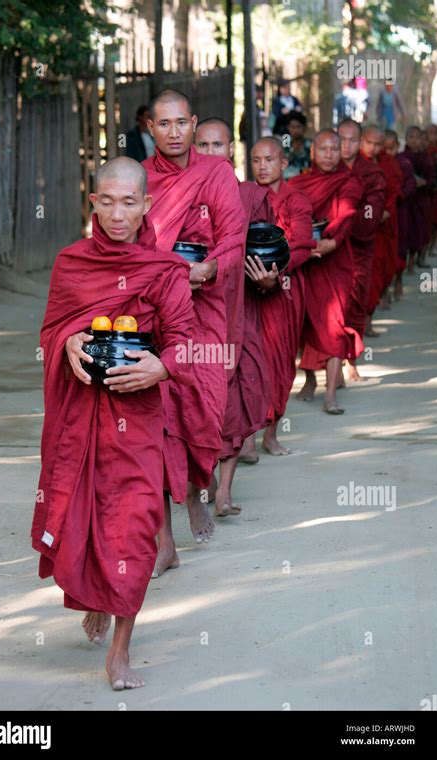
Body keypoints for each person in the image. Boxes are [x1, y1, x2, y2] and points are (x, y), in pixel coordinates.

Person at [32, 157, 194, 690]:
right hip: (82, 417)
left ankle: (120, 647)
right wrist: (69, 342)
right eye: (109, 202)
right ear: (93, 204)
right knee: (85, 515)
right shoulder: (71, 263)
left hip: (138, 418)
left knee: (134, 523)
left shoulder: (164, 269)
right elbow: (53, 330)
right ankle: (98, 598)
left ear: (146, 205)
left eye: (130, 202)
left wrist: (162, 365)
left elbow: (188, 342)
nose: (119, 213)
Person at [142, 90, 245, 576]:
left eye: (182, 122)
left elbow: (234, 238)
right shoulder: (137, 177)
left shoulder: (216, 174)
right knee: (156, 420)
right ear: (150, 127)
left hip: (202, 313)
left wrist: (204, 271)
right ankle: (164, 542)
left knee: (201, 412)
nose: (175, 132)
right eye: (164, 124)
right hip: (153, 313)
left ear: (193, 123)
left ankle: (195, 492)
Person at [194, 117, 271, 512]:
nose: (210, 154)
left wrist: (269, 279)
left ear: (231, 150)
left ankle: (224, 490)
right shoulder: (181, 193)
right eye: (202, 146)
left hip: (240, 311)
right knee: (198, 400)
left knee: (236, 398)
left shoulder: (250, 195)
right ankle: (202, 477)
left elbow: (269, 250)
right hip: (192, 316)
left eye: (217, 145)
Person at [242, 136, 314, 456]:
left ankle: (270, 434)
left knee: (280, 361)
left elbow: (301, 245)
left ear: (283, 163)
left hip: (284, 289)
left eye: (269, 160)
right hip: (247, 287)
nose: (262, 166)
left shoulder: (297, 199)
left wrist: (276, 274)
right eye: (256, 160)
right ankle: (244, 439)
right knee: (248, 360)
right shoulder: (243, 196)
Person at [289, 129, 364, 414]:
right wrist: (303, 245)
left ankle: (331, 393)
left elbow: (346, 215)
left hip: (335, 263)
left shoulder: (350, 182)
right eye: (323, 149)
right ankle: (309, 380)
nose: (330, 155)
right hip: (305, 262)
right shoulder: (298, 184)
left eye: (335, 149)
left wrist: (331, 240)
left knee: (333, 325)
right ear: (312, 152)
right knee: (305, 325)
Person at [337, 119, 386, 379]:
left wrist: (341, 226)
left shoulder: (371, 174)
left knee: (355, 303)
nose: (346, 146)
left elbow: (372, 214)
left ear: (360, 142)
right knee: (329, 307)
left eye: (352, 140)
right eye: (341, 139)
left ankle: (350, 359)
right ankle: (329, 361)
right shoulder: (325, 168)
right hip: (329, 252)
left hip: (358, 248)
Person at [362, 125, 403, 327]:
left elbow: (395, 189)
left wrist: (386, 210)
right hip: (363, 228)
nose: (373, 148)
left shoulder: (389, 163)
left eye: (378, 144)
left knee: (384, 268)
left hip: (385, 224)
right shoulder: (356, 165)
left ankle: (369, 317)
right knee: (368, 273)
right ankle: (364, 321)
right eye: (369, 143)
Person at [384, 129, 417, 300]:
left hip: (401, 211)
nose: (389, 153)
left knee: (400, 247)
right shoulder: (378, 164)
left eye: (392, 148)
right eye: (386, 149)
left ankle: (398, 281)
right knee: (383, 253)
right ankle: (383, 292)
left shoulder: (403, 163)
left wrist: (399, 195)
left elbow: (410, 184)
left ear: (397, 146)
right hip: (382, 215)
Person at [402, 126, 435, 272]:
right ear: (407, 139)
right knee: (406, 231)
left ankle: (413, 262)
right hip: (407, 201)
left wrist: (426, 182)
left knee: (419, 231)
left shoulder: (426, 157)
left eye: (418, 137)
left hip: (422, 200)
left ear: (422, 139)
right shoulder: (402, 157)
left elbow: (432, 176)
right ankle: (403, 265)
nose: (415, 141)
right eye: (411, 137)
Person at [426, 123, 437, 253]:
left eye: (435, 133)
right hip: (428, 192)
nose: (433, 136)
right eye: (430, 133)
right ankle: (427, 249)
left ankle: (433, 246)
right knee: (429, 222)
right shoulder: (424, 150)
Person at [283, 111, 312, 179]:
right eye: (293, 127)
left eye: (299, 127)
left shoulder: (310, 145)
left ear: (304, 128)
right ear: (288, 128)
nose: (296, 130)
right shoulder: (285, 144)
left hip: (306, 181)